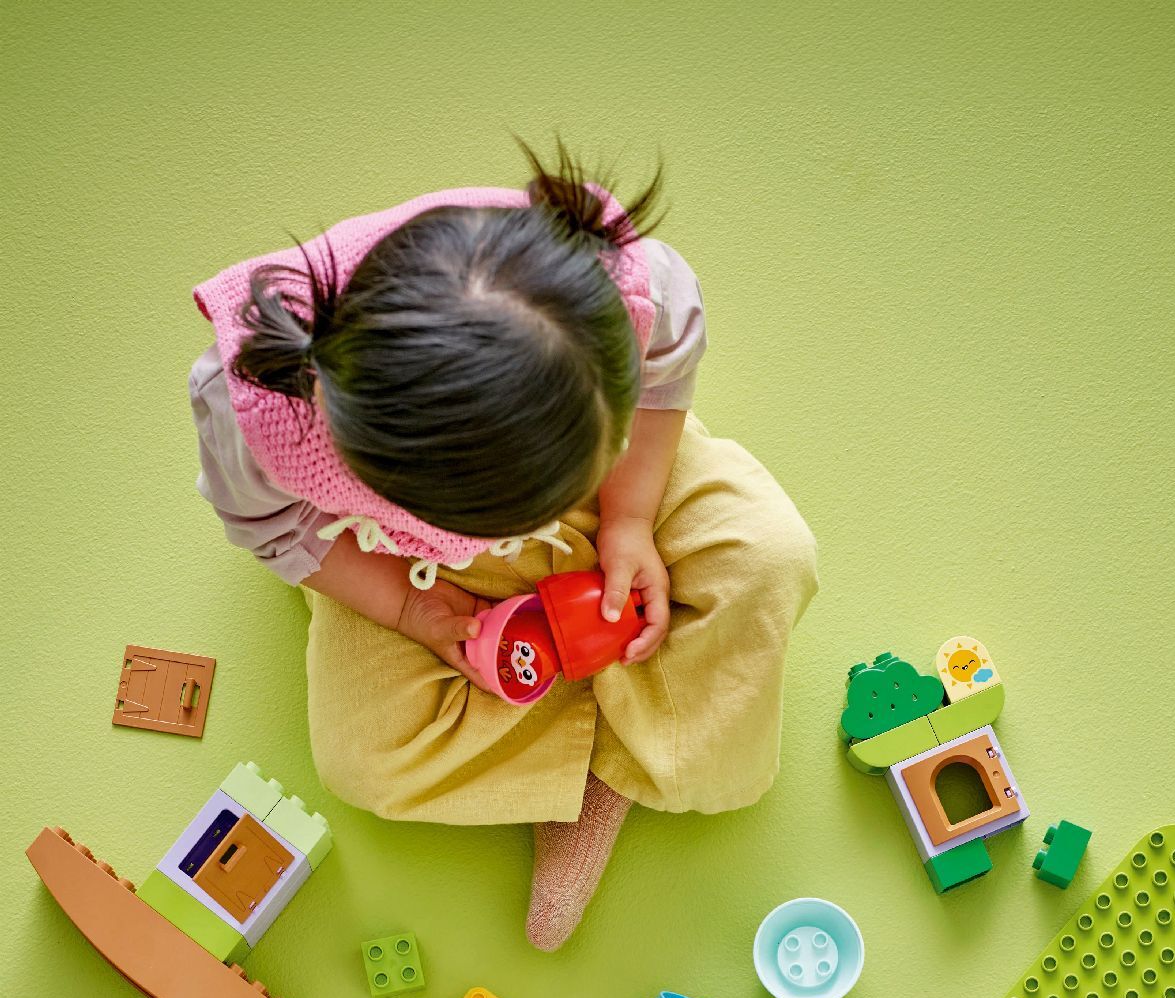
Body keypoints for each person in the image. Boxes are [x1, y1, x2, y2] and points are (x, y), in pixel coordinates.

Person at [189, 134, 818, 951]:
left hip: (619, 472)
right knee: (364, 761)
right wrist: (406, 608)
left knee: (770, 553)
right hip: (397, 556)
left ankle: (606, 771)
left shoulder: (622, 285)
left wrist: (627, 514)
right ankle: (592, 762)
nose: (531, 539)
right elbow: (277, 529)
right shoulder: (259, 418)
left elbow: (666, 375)